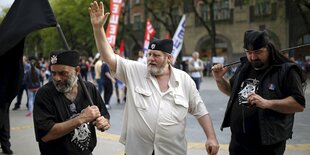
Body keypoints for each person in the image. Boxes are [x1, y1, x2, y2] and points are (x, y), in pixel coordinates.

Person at [89, 1, 220, 155]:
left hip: (171, 152)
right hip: (137, 151)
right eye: (149, 54)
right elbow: (108, 56)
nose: (150, 58)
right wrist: (98, 29)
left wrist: (211, 137)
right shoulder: (135, 71)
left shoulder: (184, 80)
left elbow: (200, 111)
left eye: (156, 55)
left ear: (169, 58)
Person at [211, 30, 307, 155]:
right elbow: (231, 91)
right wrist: (219, 79)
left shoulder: (286, 70)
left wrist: (267, 103)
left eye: (258, 52)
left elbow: (299, 104)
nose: (253, 57)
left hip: (267, 145)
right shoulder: (245, 67)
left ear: (269, 49)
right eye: (249, 53)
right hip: (238, 143)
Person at [33, 50, 110, 155]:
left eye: (62, 73)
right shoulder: (44, 94)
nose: (57, 78)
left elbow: (104, 115)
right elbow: (46, 135)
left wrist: (104, 122)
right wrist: (81, 118)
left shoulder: (89, 89)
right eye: (53, 73)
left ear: (77, 71)